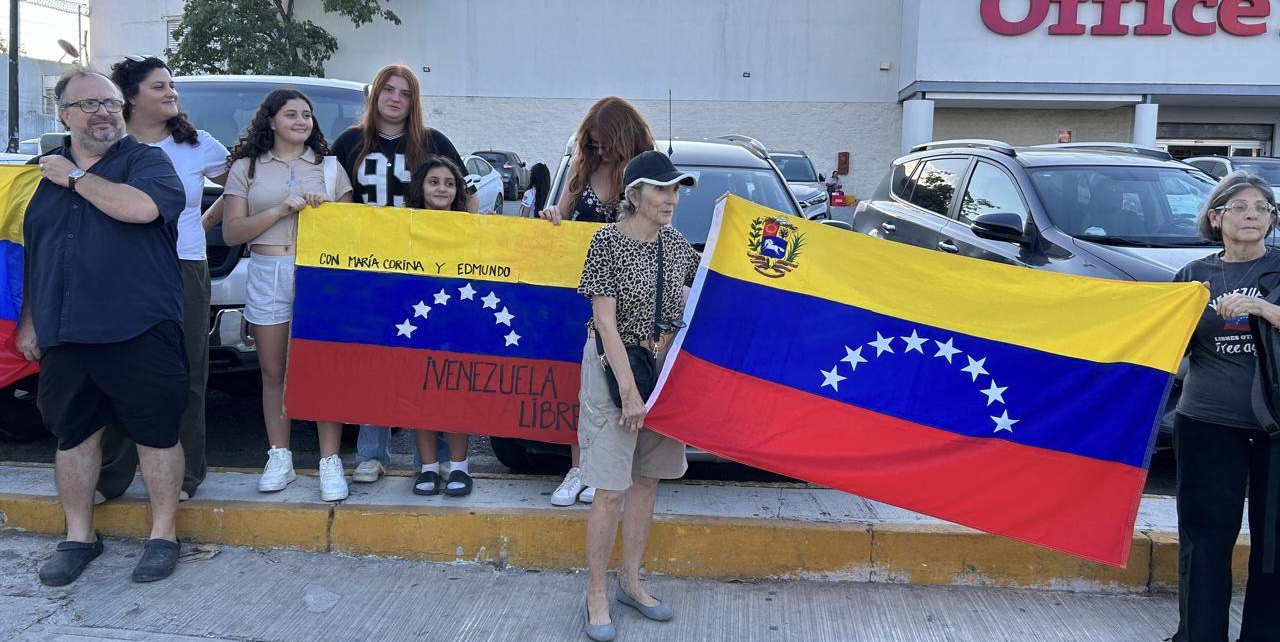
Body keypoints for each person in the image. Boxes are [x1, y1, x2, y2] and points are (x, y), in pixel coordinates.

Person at [19, 68, 187, 584]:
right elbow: (38, 253)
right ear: (64, 115)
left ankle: (163, 536)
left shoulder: (146, 161)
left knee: (156, 433)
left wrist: (74, 178)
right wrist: (30, 323)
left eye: (111, 103)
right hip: (65, 329)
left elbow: (141, 209)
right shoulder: (41, 173)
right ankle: (79, 538)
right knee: (73, 436)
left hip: (139, 324)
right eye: (89, 104)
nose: (103, 113)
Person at [331, 63, 474, 485]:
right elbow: (336, 203)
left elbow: (466, 197)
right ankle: (372, 453)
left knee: (430, 357)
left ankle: (436, 459)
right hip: (370, 269)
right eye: (388, 90)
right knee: (376, 359)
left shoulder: (432, 142)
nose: (395, 98)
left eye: (405, 92)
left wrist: (460, 248)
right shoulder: (349, 143)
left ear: (415, 101)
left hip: (427, 268)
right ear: (375, 94)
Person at [95, 55, 229, 504]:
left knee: (185, 372)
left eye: (172, 85)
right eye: (159, 86)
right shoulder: (108, 144)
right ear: (130, 97)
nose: (171, 93)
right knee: (118, 370)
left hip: (184, 266)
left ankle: (185, 477)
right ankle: (110, 478)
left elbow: (244, 186)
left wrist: (205, 223)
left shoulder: (199, 144)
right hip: (120, 270)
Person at [577, 151, 699, 641]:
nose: (671, 199)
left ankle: (631, 582)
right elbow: (605, 323)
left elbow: (708, 288)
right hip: (614, 371)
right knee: (610, 490)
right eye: (660, 189)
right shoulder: (606, 242)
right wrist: (629, 393)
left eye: (675, 189)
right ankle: (596, 593)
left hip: (660, 372)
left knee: (647, 481)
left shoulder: (676, 245)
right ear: (633, 194)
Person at [221, 89, 354, 502]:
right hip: (266, 269)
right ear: (272, 121)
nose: (301, 121)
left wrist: (324, 210)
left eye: (307, 115)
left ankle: (330, 460)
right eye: (291, 114)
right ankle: (280, 456)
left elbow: (350, 232)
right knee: (273, 370)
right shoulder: (246, 167)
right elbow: (232, 233)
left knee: (321, 367)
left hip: (317, 273)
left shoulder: (329, 168)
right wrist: (280, 211)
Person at [1170, 170, 1280, 642]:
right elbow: (1169, 345)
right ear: (1215, 218)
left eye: (1262, 208)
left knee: (1274, 542)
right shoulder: (1193, 275)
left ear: (1272, 219)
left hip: (1275, 426)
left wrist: (1263, 309)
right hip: (1206, 423)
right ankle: (1199, 634)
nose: (1251, 215)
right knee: (1204, 538)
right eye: (1239, 206)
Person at [539, 96, 656, 506]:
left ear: (623, 136)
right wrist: (553, 215)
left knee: (620, 381)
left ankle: (607, 474)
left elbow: (658, 228)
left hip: (632, 295)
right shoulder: (583, 166)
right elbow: (562, 212)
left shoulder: (646, 170)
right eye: (593, 142)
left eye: (606, 143)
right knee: (586, 384)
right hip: (584, 291)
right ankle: (580, 469)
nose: (600, 150)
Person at [399, 154, 479, 497]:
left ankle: (460, 467)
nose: (442, 189)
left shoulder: (470, 226)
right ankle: (428, 468)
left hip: (456, 323)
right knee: (421, 396)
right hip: (417, 323)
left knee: (456, 395)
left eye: (449, 183)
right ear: (420, 187)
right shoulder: (403, 225)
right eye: (434, 182)